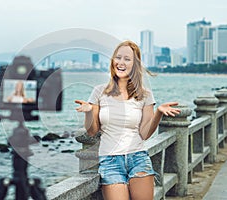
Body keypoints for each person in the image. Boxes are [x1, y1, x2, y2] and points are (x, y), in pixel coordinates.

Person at [75, 40, 181, 200]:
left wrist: (158, 113)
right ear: (112, 61)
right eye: (118, 57)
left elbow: (145, 134)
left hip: (138, 158)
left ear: (135, 65)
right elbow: (92, 131)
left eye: (127, 59)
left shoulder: (144, 94)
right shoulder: (99, 91)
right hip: (110, 161)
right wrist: (89, 112)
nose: (121, 62)